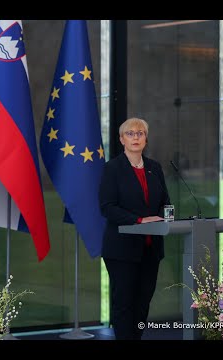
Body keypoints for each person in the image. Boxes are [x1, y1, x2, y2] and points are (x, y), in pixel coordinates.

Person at [98, 117, 170, 340]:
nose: (136, 137)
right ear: (121, 139)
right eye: (130, 133)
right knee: (124, 304)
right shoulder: (112, 169)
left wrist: (167, 217)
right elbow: (107, 207)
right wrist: (139, 220)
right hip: (122, 250)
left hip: (151, 248)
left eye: (140, 133)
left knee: (142, 303)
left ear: (146, 139)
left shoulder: (154, 168)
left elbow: (165, 202)